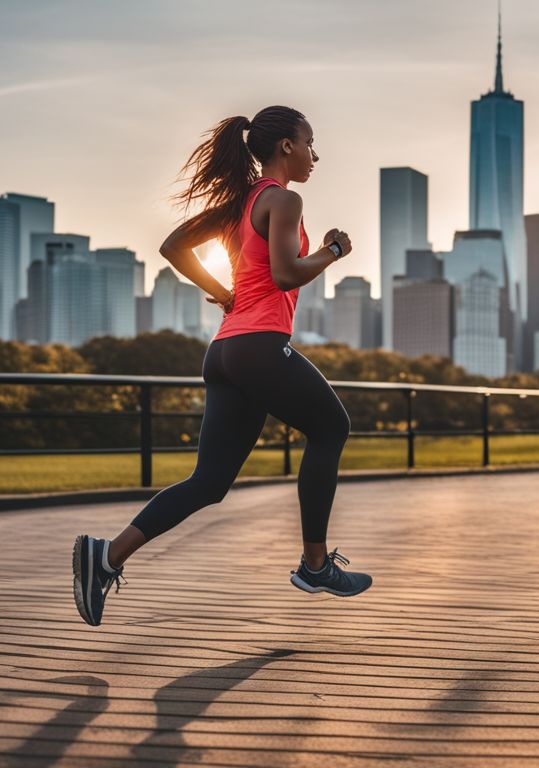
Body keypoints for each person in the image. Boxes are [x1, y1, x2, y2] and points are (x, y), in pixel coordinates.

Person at [73, 106, 371, 627]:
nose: (314, 155)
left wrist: (222, 293)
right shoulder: (284, 199)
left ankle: (105, 557)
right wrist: (332, 252)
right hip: (258, 347)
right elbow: (284, 274)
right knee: (333, 427)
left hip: (226, 353)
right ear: (285, 147)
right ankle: (316, 564)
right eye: (309, 143)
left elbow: (173, 247)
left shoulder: (240, 202)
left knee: (209, 482)